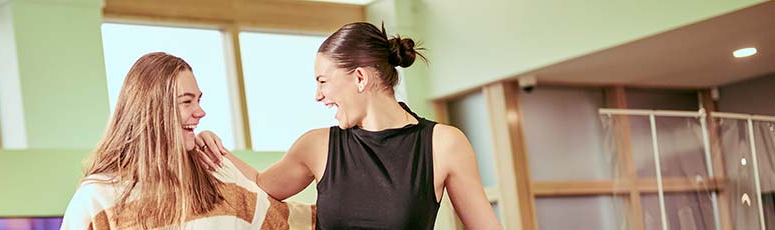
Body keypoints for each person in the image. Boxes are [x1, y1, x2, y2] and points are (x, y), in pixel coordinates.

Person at [195, 22, 502, 229]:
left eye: (323, 81)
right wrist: (213, 148)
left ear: (359, 78)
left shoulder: (443, 144)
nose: (318, 95)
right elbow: (262, 184)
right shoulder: (317, 146)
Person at [60, 52, 314, 230]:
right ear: (151, 110)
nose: (200, 112)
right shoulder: (97, 199)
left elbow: (293, 221)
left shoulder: (220, 177)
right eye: (186, 102)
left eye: (199, 100)